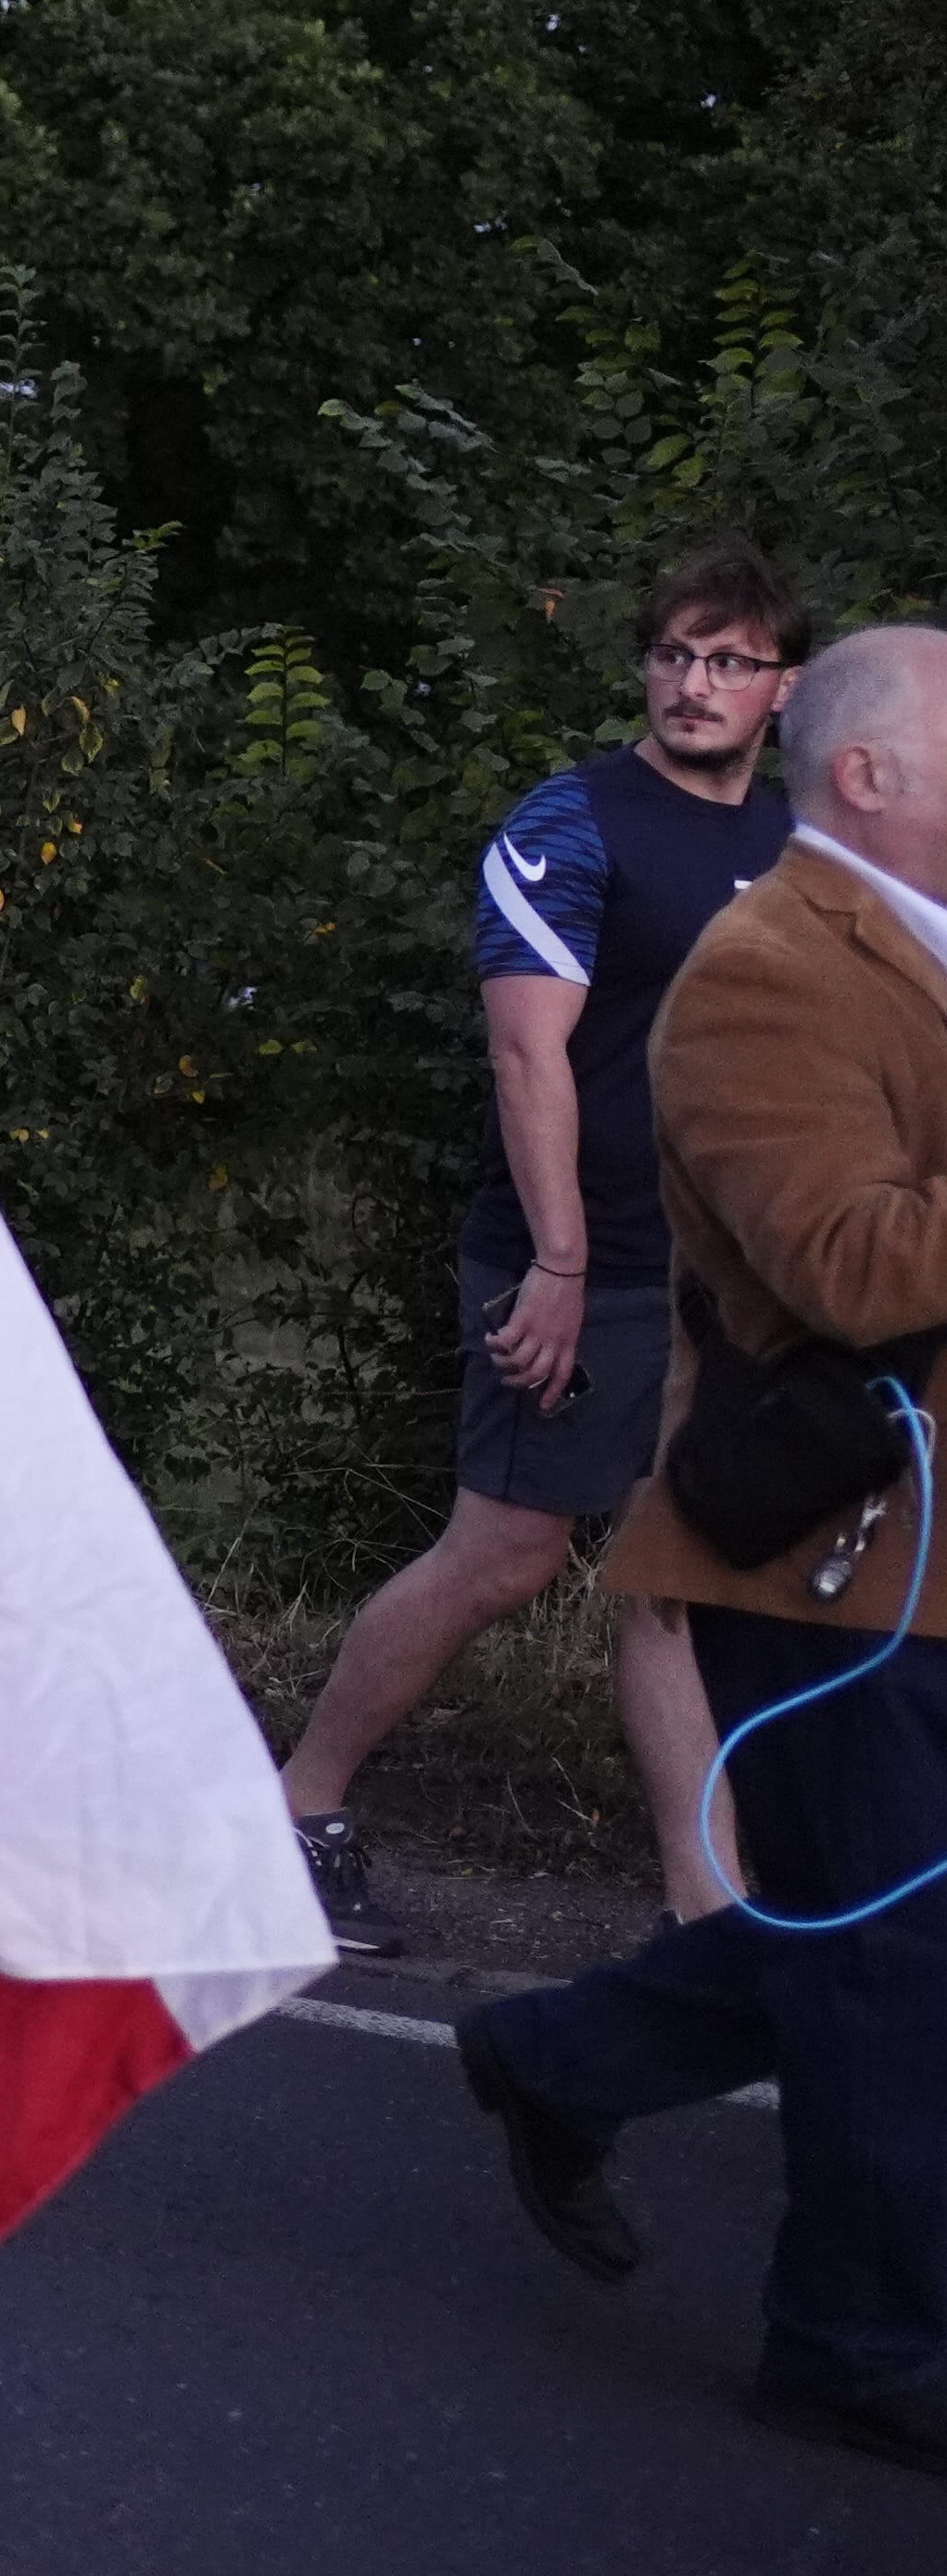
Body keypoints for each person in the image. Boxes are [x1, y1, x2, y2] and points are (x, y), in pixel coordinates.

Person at [454, 620, 947, 2481]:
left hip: (920, 1555)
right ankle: (850, 2337)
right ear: (873, 775)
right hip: (839, 1564)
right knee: (892, 1960)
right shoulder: (763, 974)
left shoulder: (917, 948)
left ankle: (561, 2056)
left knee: (869, 1926)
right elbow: (846, 1260)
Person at [283, 539, 806, 1954]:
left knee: (673, 1586)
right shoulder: (567, 824)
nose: (695, 684)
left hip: (728, 1284)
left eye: (730, 661)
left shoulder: (792, 845)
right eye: (674, 656)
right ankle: (294, 1813)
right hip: (582, 1264)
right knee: (506, 1555)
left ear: (783, 688)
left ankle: (712, 1918)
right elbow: (531, 1062)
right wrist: (562, 1268)